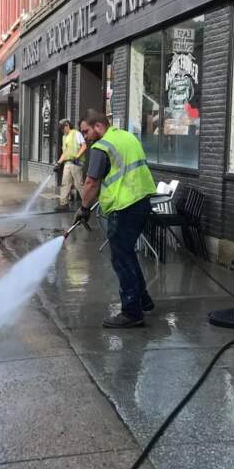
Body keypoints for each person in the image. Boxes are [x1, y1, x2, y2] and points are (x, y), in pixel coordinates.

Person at [73, 109, 157, 328]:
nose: (85, 137)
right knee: (127, 254)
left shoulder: (102, 147)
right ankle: (143, 300)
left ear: (98, 126)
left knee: (121, 258)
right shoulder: (127, 137)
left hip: (124, 206)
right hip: (142, 202)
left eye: (86, 131)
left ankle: (131, 312)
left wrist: (83, 208)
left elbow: (91, 182)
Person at [54, 118, 86, 210]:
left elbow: (84, 146)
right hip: (67, 163)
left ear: (67, 125)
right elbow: (65, 152)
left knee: (79, 184)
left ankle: (86, 204)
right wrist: (58, 163)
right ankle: (63, 204)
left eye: (62, 128)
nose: (62, 130)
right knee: (65, 183)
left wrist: (77, 156)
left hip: (76, 163)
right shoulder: (64, 137)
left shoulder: (76, 133)